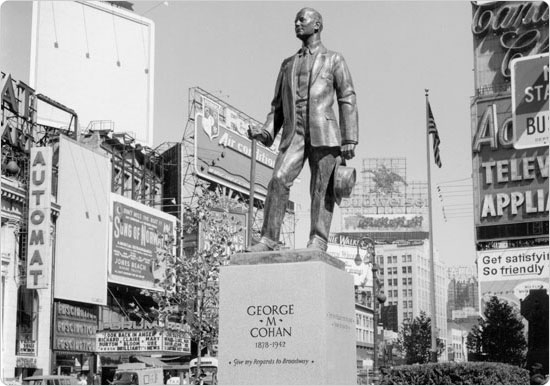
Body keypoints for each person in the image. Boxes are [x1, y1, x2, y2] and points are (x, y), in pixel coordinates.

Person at [247, 7, 358, 252]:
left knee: (321, 187)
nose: (297, 24)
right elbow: (277, 106)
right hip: (294, 133)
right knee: (278, 179)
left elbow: (347, 96)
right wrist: (265, 132)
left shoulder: (334, 59)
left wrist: (349, 137)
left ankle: (318, 239)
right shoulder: (287, 65)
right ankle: (269, 238)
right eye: (295, 20)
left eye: (302, 19)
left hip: (324, 133)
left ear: (317, 25)